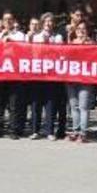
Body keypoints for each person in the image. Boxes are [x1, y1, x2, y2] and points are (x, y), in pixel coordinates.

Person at [0, 11, 26, 139]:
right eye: (5, 19)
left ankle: (13, 130)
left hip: (14, 74)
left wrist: (11, 40)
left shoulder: (20, 35)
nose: (8, 22)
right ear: (3, 21)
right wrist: (1, 37)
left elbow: (25, 48)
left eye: (10, 19)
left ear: (13, 20)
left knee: (13, 104)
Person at [29, 12, 66, 140]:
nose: (48, 24)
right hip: (38, 73)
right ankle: (35, 130)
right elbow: (33, 54)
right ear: (42, 23)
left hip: (52, 74)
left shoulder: (58, 37)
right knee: (36, 104)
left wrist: (49, 44)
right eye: (46, 22)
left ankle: (49, 131)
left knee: (50, 103)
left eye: (50, 21)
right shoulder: (36, 37)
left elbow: (60, 53)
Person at [66, 21, 96, 143]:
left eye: (84, 28)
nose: (81, 31)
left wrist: (87, 44)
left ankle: (83, 132)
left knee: (83, 106)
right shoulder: (71, 43)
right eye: (78, 28)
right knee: (74, 106)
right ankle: (75, 130)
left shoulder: (92, 44)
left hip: (85, 79)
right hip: (71, 79)